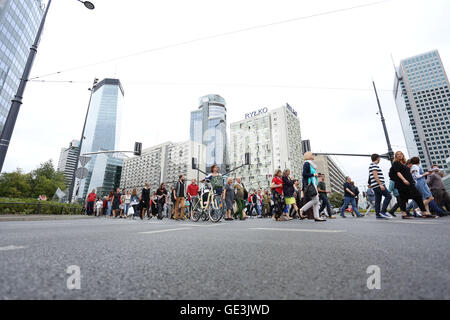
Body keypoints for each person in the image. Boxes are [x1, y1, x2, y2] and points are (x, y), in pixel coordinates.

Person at [388, 151, 429, 219]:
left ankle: (424, 212)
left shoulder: (404, 164)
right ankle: (404, 214)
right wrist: (404, 180)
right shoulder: (396, 163)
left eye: (401, 154)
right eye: (397, 154)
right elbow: (398, 173)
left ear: (403, 155)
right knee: (404, 199)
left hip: (410, 183)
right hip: (402, 184)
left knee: (418, 196)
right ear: (396, 156)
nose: (399, 155)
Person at [300, 152, 326, 222]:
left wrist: (317, 175)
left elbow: (311, 174)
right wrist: (314, 174)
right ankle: (302, 209)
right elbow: (304, 174)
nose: (313, 155)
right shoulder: (307, 163)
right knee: (315, 200)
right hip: (310, 184)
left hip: (313, 184)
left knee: (316, 201)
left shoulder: (311, 164)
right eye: (312, 155)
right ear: (308, 156)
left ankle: (316, 216)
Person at [369, 153, 393, 219]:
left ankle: (378, 214)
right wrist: (380, 184)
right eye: (379, 158)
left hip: (375, 185)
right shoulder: (374, 165)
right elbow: (375, 175)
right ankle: (383, 212)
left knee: (378, 200)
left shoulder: (372, 165)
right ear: (378, 158)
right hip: (378, 185)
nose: (380, 160)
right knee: (388, 196)